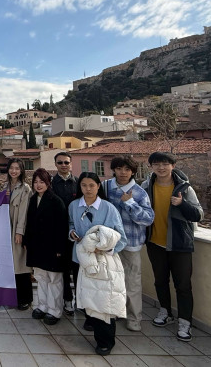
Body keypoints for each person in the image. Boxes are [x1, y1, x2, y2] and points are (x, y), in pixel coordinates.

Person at [141, 152, 203, 342]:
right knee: (160, 280)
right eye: (157, 164)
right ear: (151, 166)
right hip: (155, 243)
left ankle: (185, 322)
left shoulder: (184, 189)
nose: (161, 167)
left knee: (183, 285)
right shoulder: (146, 186)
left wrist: (182, 203)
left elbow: (199, 215)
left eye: (165, 164)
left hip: (179, 244)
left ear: (173, 166)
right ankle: (165, 312)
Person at [68, 172, 127, 356]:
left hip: (103, 262)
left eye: (91, 185)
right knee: (86, 295)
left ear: (98, 186)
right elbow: (71, 224)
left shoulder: (108, 208)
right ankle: (90, 320)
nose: (87, 189)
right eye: (84, 185)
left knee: (104, 302)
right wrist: (72, 233)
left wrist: (103, 248)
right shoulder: (73, 206)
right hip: (81, 260)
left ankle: (105, 341)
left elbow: (121, 238)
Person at [103, 156, 154, 332]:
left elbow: (148, 219)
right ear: (114, 170)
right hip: (109, 244)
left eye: (127, 169)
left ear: (132, 171)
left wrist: (130, 203)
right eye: (119, 169)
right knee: (112, 281)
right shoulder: (106, 187)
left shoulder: (139, 193)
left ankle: (134, 318)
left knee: (132, 282)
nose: (123, 173)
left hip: (130, 244)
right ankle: (117, 311)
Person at [23, 167, 71, 324]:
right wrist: (27, 242)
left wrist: (59, 249)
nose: (38, 185)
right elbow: (29, 224)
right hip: (37, 247)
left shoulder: (56, 201)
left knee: (54, 279)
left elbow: (62, 228)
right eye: (35, 182)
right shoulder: (32, 200)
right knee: (41, 277)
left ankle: (54, 310)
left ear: (48, 183)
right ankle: (42, 306)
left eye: (41, 182)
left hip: (52, 248)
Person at [2, 158, 32, 310]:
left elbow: (24, 213)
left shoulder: (25, 188)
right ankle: (12, 297)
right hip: (4, 228)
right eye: (11, 168)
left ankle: (25, 298)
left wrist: (20, 232)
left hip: (16, 230)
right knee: (9, 265)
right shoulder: (5, 186)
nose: (14, 171)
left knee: (20, 265)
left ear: (21, 171)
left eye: (17, 168)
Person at [51, 151, 79, 316]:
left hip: (78, 233)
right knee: (63, 269)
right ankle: (67, 299)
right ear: (56, 165)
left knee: (78, 269)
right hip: (59, 232)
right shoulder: (51, 184)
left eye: (66, 162)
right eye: (60, 162)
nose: (63, 165)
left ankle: (80, 301)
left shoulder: (78, 183)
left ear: (71, 164)